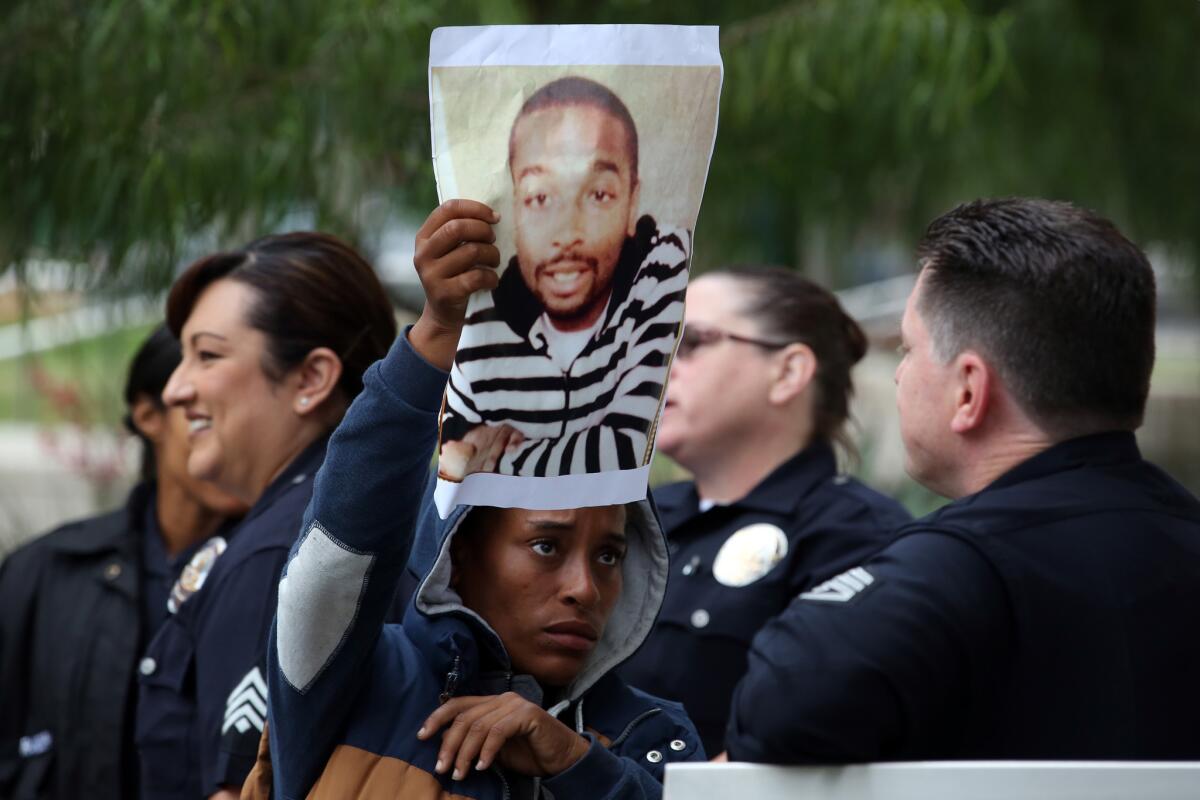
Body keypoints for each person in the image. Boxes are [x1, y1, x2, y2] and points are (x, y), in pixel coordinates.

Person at [252, 199, 704, 800]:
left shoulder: (653, 735)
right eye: (546, 545)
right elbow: (342, 545)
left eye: (610, 556)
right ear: (456, 555)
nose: (584, 589)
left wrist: (578, 765)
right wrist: (436, 335)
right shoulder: (353, 680)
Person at [724, 198, 1200, 762]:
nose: (900, 373)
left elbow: (774, 710)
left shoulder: (955, 570)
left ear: (969, 391)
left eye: (908, 349)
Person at [134, 233, 397, 799]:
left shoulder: (282, 553)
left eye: (206, 355)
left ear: (310, 380)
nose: (176, 388)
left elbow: (236, 787)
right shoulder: (353, 525)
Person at [618, 267, 911, 755]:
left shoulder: (857, 536)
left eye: (690, 343)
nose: (657, 364)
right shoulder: (627, 514)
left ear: (788, 372)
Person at [0, 325, 246, 800]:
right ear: (148, 414)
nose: (230, 440)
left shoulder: (276, 576)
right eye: (204, 417)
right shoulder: (44, 571)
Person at [438, 76, 689, 480]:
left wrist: (491, 460)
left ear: (632, 203)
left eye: (598, 195)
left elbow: (623, 453)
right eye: (540, 198)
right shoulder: (485, 311)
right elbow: (450, 459)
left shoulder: (659, 262)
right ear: (515, 210)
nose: (566, 233)